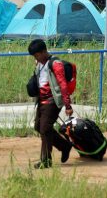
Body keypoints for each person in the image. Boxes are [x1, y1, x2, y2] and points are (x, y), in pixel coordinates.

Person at [28, 39, 73, 169]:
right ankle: (65, 146)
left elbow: (63, 85)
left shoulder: (55, 64)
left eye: (37, 55)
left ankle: (46, 161)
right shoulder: (39, 63)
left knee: (45, 129)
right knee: (38, 127)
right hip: (41, 101)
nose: (36, 58)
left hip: (52, 101)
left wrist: (68, 105)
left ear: (43, 52)